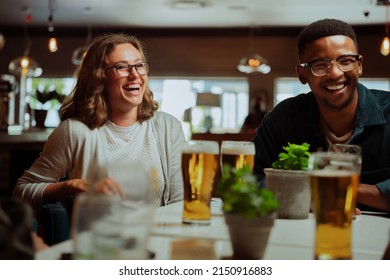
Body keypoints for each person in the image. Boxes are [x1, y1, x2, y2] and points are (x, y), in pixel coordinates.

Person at [13, 33, 186, 210]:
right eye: (122, 67)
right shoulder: (75, 131)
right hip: (98, 237)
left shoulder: (168, 127)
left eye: (139, 65)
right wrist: (71, 186)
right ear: (99, 77)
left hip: (156, 235)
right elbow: (21, 191)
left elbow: (180, 202)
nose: (135, 75)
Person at [253, 18, 390, 213]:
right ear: (302, 74)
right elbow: (249, 183)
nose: (335, 73)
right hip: (296, 235)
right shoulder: (282, 119)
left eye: (346, 61)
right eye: (320, 65)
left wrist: (336, 189)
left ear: (359, 65)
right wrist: (306, 197)